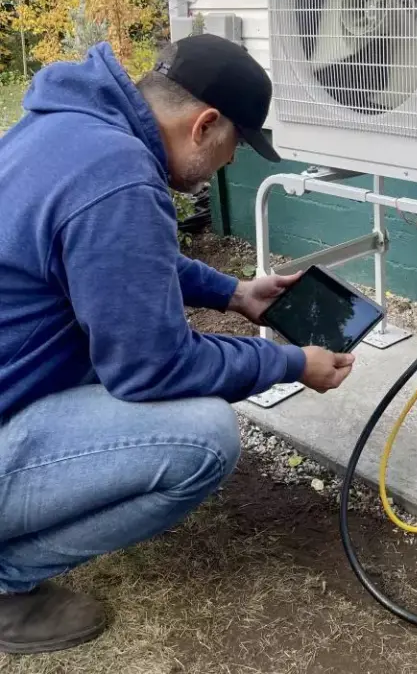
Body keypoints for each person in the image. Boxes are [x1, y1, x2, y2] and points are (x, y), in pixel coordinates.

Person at [0, 34, 355, 655]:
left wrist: (234, 293)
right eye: (235, 146)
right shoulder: (118, 180)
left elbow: (123, 260)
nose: (229, 163)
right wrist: (291, 362)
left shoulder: (69, 130)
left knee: (103, 353)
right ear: (205, 124)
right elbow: (154, 369)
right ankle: (7, 579)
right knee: (204, 438)